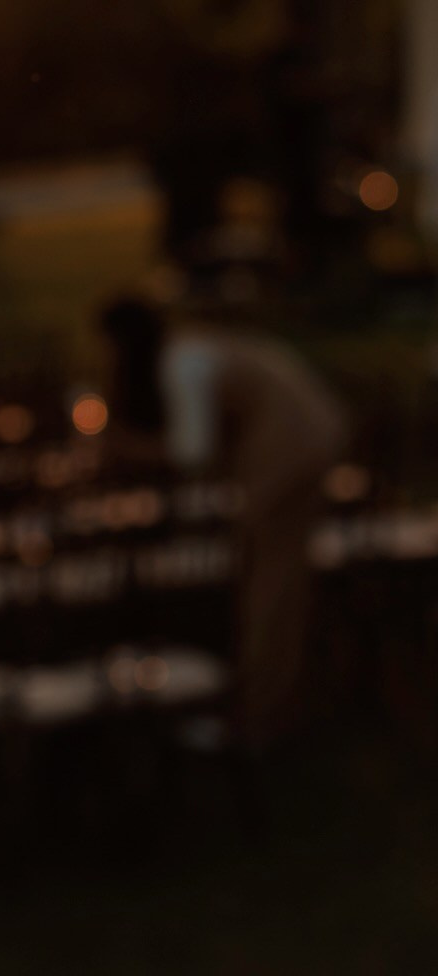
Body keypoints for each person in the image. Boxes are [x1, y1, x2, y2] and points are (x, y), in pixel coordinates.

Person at [100, 294, 347, 749]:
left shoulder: (182, 363)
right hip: (303, 439)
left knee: (271, 588)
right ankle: (270, 698)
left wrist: (127, 447)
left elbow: (191, 453)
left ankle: (261, 715)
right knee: (270, 578)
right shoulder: (193, 346)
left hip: (289, 451)